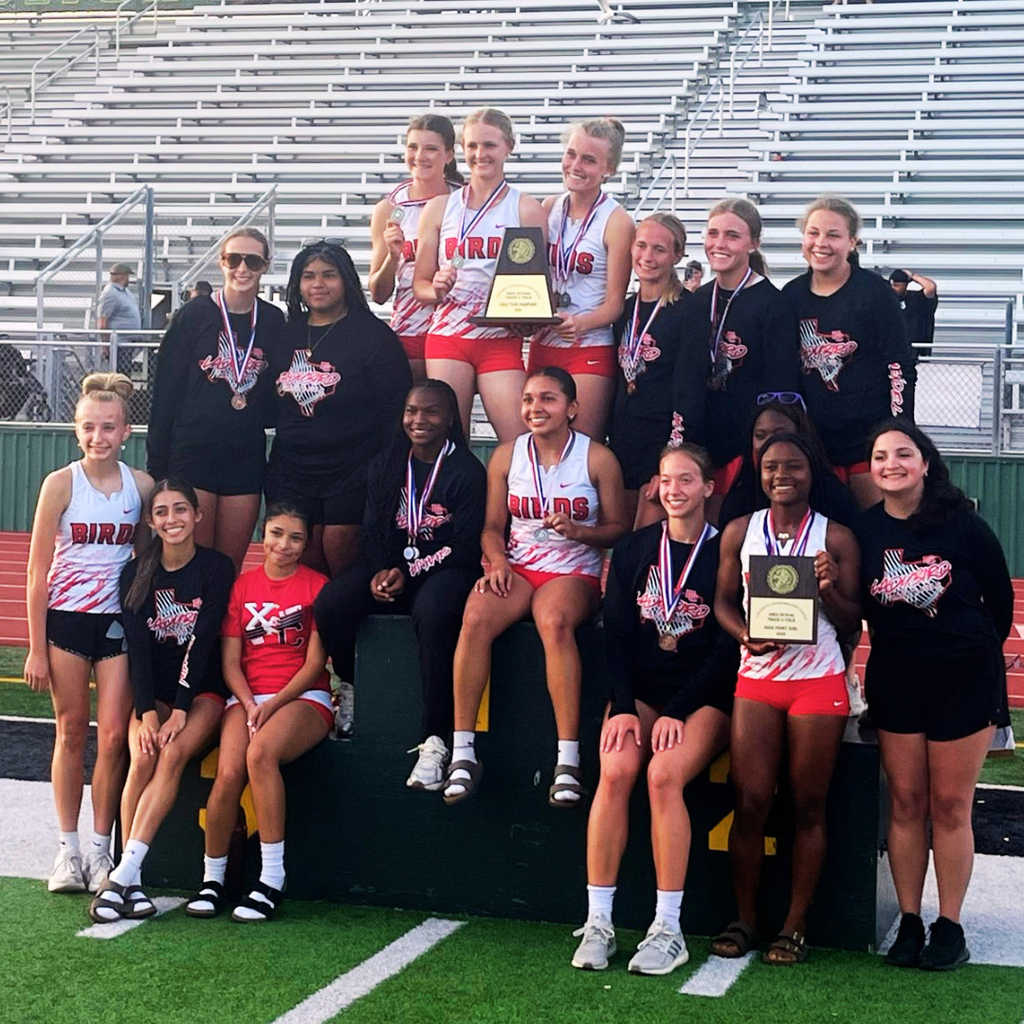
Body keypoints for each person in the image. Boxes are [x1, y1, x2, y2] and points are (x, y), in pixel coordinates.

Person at [571, 444, 738, 975]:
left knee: (663, 776)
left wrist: (680, 708)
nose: (675, 490)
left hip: (702, 698)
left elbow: (726, 648)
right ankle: (599, 920)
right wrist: (622, 706)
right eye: (666, 480)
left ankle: (668, 928)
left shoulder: (724, 554)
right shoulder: (637, 548)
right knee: (617, 768)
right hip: (642, 692)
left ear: (709, 488)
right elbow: (617, 637)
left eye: (687, 480)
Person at [855, 420, 1012, 970]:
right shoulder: (865, 530)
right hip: (897, 678)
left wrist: (969, 654)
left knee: (950, 804)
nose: (890, 464)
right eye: (880, 457)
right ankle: (910, 920)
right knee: (905, 802)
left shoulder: (963, 525)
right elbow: (855, 609)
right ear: (871, 470)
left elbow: (1000, 604)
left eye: (903, 454)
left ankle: (950, 924)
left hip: (963, 680)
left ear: (925, 464)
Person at [445, 367, 628, 806]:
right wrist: (498, 560)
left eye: (547, 399)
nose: (534, 408)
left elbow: (619, 529)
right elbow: (491, 526)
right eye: (528, 399)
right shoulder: (507, 456)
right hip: (520, 568)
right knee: (474, 617)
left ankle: (568, 759)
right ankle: (463, 751)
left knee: (555, 620)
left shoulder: (597, 458)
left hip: (572, 571)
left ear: (572, 408)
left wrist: (580, 533)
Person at [712, 432, 861, 964]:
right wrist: (743, 635)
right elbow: (722, 603)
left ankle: (795, 925)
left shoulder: (836, 537)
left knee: (807, 805)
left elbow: (851, 621)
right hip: (757, 677)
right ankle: (746, 918)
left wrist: (828, 587)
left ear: (810, 472)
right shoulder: (739, 531)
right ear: (759, 472)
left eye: (793, 467)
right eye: (771, 466)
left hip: (817, 679)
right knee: (750, 802)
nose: (782, 476)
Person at [314, 380, 486, 789]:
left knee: (434, 613)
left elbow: (463, 546)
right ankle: (351, 690)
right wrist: (379, 570)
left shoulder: (467, 470)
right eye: (411, 411)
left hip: (447, 572)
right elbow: (373, 530)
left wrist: (407, 573)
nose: (418, 420)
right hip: (394, 568)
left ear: (449, 419)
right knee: (330, 604)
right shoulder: (388, 463)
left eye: (430, 412)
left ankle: (433, 742)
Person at [23, 373, 153, 894]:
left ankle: (102, 850)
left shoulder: (140, 486)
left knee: (116, 735)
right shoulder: (60, 483)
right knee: (70, 731)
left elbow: (147, 560)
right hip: (67, 622)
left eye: (108, 427)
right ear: (76, 432)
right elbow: (36, 571)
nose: (98, 436)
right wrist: (35, 646)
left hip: (117, 623)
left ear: (125, 430)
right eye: (88, 428)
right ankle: (67, 851)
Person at [87, 480, 234, 922]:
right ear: (150, 522)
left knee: (170, 755)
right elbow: (139, 649)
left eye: (181, 510)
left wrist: (182, 708)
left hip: (202, 691)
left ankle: (122, 875)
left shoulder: (216, 567)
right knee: (143, 754)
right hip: (154, 694)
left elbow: (202, 642)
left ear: (198, 515)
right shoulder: (135, 573)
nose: (173, 520)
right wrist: (148, 711)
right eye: (163, 512)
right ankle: (130, 884)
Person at [184, 503, 331, 923]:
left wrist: (275, 703)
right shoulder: (242, 586)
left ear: (305, 545)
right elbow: (231, 662)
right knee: (228, 772)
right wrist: (249, 704)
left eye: (295, 537)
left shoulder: (317, 587)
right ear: (262, 535)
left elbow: (315, 665)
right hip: (247, 698)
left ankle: (271, 879)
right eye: (277, 533)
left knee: (260, 756)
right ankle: (213, 880)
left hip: (302, 698)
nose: (284, 545)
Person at [267, 240, 411, 578]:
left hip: (353, 466)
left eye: (328, 275)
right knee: (302, 556)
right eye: (309, 276)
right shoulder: (286, 334)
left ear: (346, 279)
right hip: (292, 465)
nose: (318, 284)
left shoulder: (374, 335)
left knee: (340, 548)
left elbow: (394, 412)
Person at [147, 227, 285, 574]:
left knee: (227, 569)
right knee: (193, 564)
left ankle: (223, 631)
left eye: (252, 260)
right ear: (221, 263)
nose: (242, 268)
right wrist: (157, 469)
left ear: (265, 265)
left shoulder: (272, 320)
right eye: (233, 259)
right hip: (194, 454)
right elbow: (165, 395)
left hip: (245, 457)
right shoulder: (193, 316)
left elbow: (277, 390)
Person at [413, 108, 548, 442]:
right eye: (471, 146)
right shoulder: (440, 207)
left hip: (499, 339)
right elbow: (420, 285)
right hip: (448, 337)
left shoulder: (526, 209)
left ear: (508, 147)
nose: (479, 154)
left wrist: (530, 316)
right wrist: (436, 289)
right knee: (448, 441)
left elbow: (538, 286)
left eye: (489, 145)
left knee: (519, 441)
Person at [781, 195, 917, 509]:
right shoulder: (791, 296)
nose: (821, 243)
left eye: (833, 235)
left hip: (867, 444)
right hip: (814, 447)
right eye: (813, 233)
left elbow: (899, 367)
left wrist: (898, 432)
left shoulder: (873, 292)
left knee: (875, 536)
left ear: (852, 242)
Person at [685, 198, 799, 521]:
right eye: (713, 234)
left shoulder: (773, 304)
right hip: (700, 442)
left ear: (753, 244)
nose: (719, 244)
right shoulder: (698, 299)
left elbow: (780, 387)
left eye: (732, 236)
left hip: (744, 449)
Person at [527, 118, 635, 439]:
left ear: (609, 168)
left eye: (589, 160)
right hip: (543, 342)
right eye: (571, 154)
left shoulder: (617, 221)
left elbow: (615, 304)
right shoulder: (547, 208)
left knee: (581, 447)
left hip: (587, 346)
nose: (575, 165)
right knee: (538, 443)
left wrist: (581, 323)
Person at [609, 214, 704, 529]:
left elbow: (689, 391)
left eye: (659, 250)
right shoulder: (624, 310)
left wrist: (669, 464)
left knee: (648, 542)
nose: (647, 257)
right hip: (623, 443)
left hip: (661, 444)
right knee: (621, 544)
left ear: (677, 255)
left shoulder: (689, 311)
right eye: (641, 246)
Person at [369, 114, 462, 384]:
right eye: (413, 147)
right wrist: (393, 256)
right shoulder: (389, 208)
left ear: (448, 155)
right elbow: (378, 293)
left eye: (431, 148)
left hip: (455, 327)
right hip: (408, 329)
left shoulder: (465, 202)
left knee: (450, 417)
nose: (420, 156)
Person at [718, 397, 858, 531]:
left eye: (780, 433)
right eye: (760, 436)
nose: (770, 442)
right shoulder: (737, 504)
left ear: (803, 437)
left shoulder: (836, 499)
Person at [97, 263, 142, 377]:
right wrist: (106, 345)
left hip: (127, 343)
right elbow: (103, 320)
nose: (128, 279)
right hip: (119, 343)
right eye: (127, 276)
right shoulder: (110, 293)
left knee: (125, 373)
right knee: (120, 374)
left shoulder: (125, 292)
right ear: (122, 276)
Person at [889, 269, 938, 360]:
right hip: (893, 353)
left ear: (905, 285)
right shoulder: (887, 300)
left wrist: (912, 276)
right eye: (892, 285)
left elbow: (930, 287)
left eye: (897, 285)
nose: (894, 288)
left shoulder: (915, 299)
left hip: (916, 352)